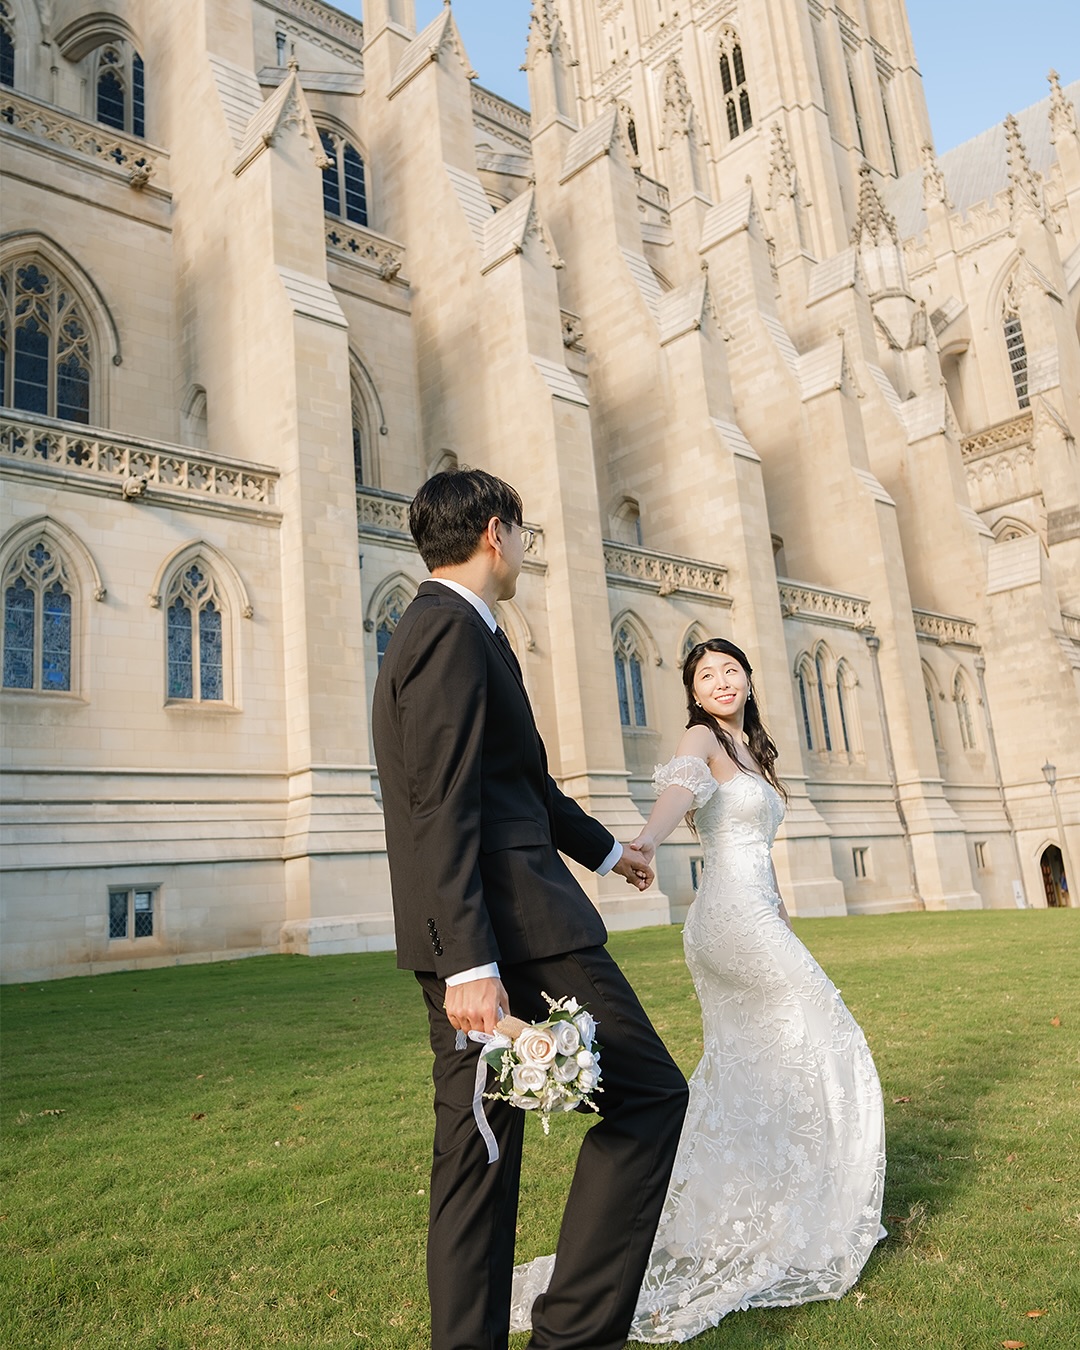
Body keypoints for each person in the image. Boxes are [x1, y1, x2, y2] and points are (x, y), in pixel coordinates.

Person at [372, 468, 689, 1350]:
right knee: (649, 1096)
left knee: (480, 1152)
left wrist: (608, 851)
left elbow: (519, 787)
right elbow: (440, 800)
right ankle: (574, 1334)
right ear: (495, 534)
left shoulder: (468, 631)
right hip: (511, 934)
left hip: (492, 926)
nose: (525, 551)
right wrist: (470, 962)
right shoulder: (446, 634)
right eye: (524, 534)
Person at [510, 638, 886, 1343]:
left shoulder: (753, 749)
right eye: (705, 674)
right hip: (727, 919)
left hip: (754, 911)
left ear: (748, 678)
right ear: (692, 688)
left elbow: (757, 848)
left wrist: (777, 903)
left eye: (730, 670)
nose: (720, 681)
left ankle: (771, 1202)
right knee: (830, 1033)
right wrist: (644, 843)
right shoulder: (702, 738)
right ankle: (809, 1205)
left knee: (765, 1056)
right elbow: (679, 791)